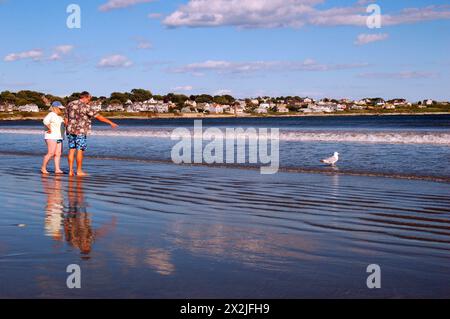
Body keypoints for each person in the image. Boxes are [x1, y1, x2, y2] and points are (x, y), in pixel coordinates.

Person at [65, 91, 118, 176]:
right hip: (81, 131)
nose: (89, 100)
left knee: (71, 150)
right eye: (89, 98)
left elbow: (66, 119)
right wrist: (110, 122)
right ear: (86, 97)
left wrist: (68, 128)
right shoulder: (85, 106)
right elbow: (98, 117)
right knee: (80, 150)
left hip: (70, 130)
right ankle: (79, 171)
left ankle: (70, 171)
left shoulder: (70, 104)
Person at [41, 101, 66, 174]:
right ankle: (43, 168)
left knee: (58, 153)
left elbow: (62, 126)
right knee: (51, 153)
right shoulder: (51, 114)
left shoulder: (59, 116)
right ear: (55, 108)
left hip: (59, 137)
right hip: (51, 136)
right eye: (60, 108)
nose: (61, 110)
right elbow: (45, 121)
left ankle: (57, 169)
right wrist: (49, 129)